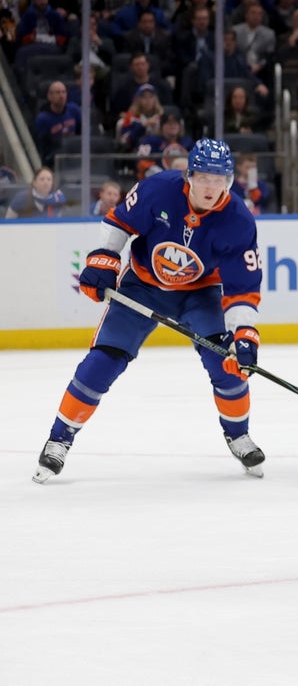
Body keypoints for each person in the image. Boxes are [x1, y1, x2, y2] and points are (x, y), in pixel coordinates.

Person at [31, 139, 266, 483]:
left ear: (229, 181)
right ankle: (59, 438)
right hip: (143, 286)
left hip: (201, 293)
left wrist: (244, 333)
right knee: (102, 361)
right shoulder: (159, 189)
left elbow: (242, 288)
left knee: (228, 365)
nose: (210, 187)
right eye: (203, 177)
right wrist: (104, 258)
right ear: (189, 176)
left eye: (218, 179)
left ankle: (238, 435)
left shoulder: (238, 221)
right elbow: (120, 222)